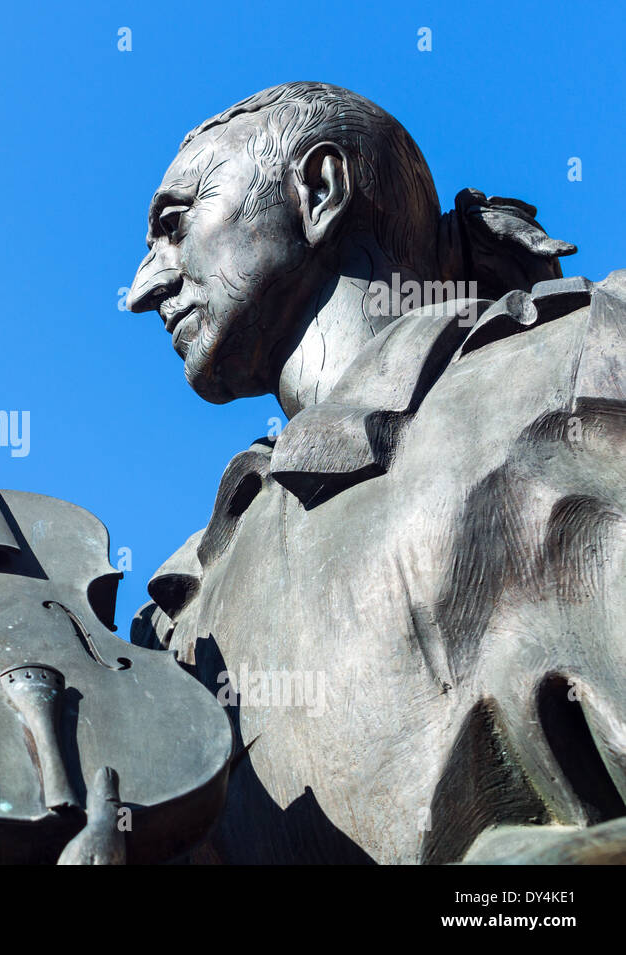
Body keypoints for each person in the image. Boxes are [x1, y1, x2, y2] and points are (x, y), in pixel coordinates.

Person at [126, 82, 626, 863]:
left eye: (174, 226)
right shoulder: (181, 612)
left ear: (318, 191)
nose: (144, 286)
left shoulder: (581, 366)